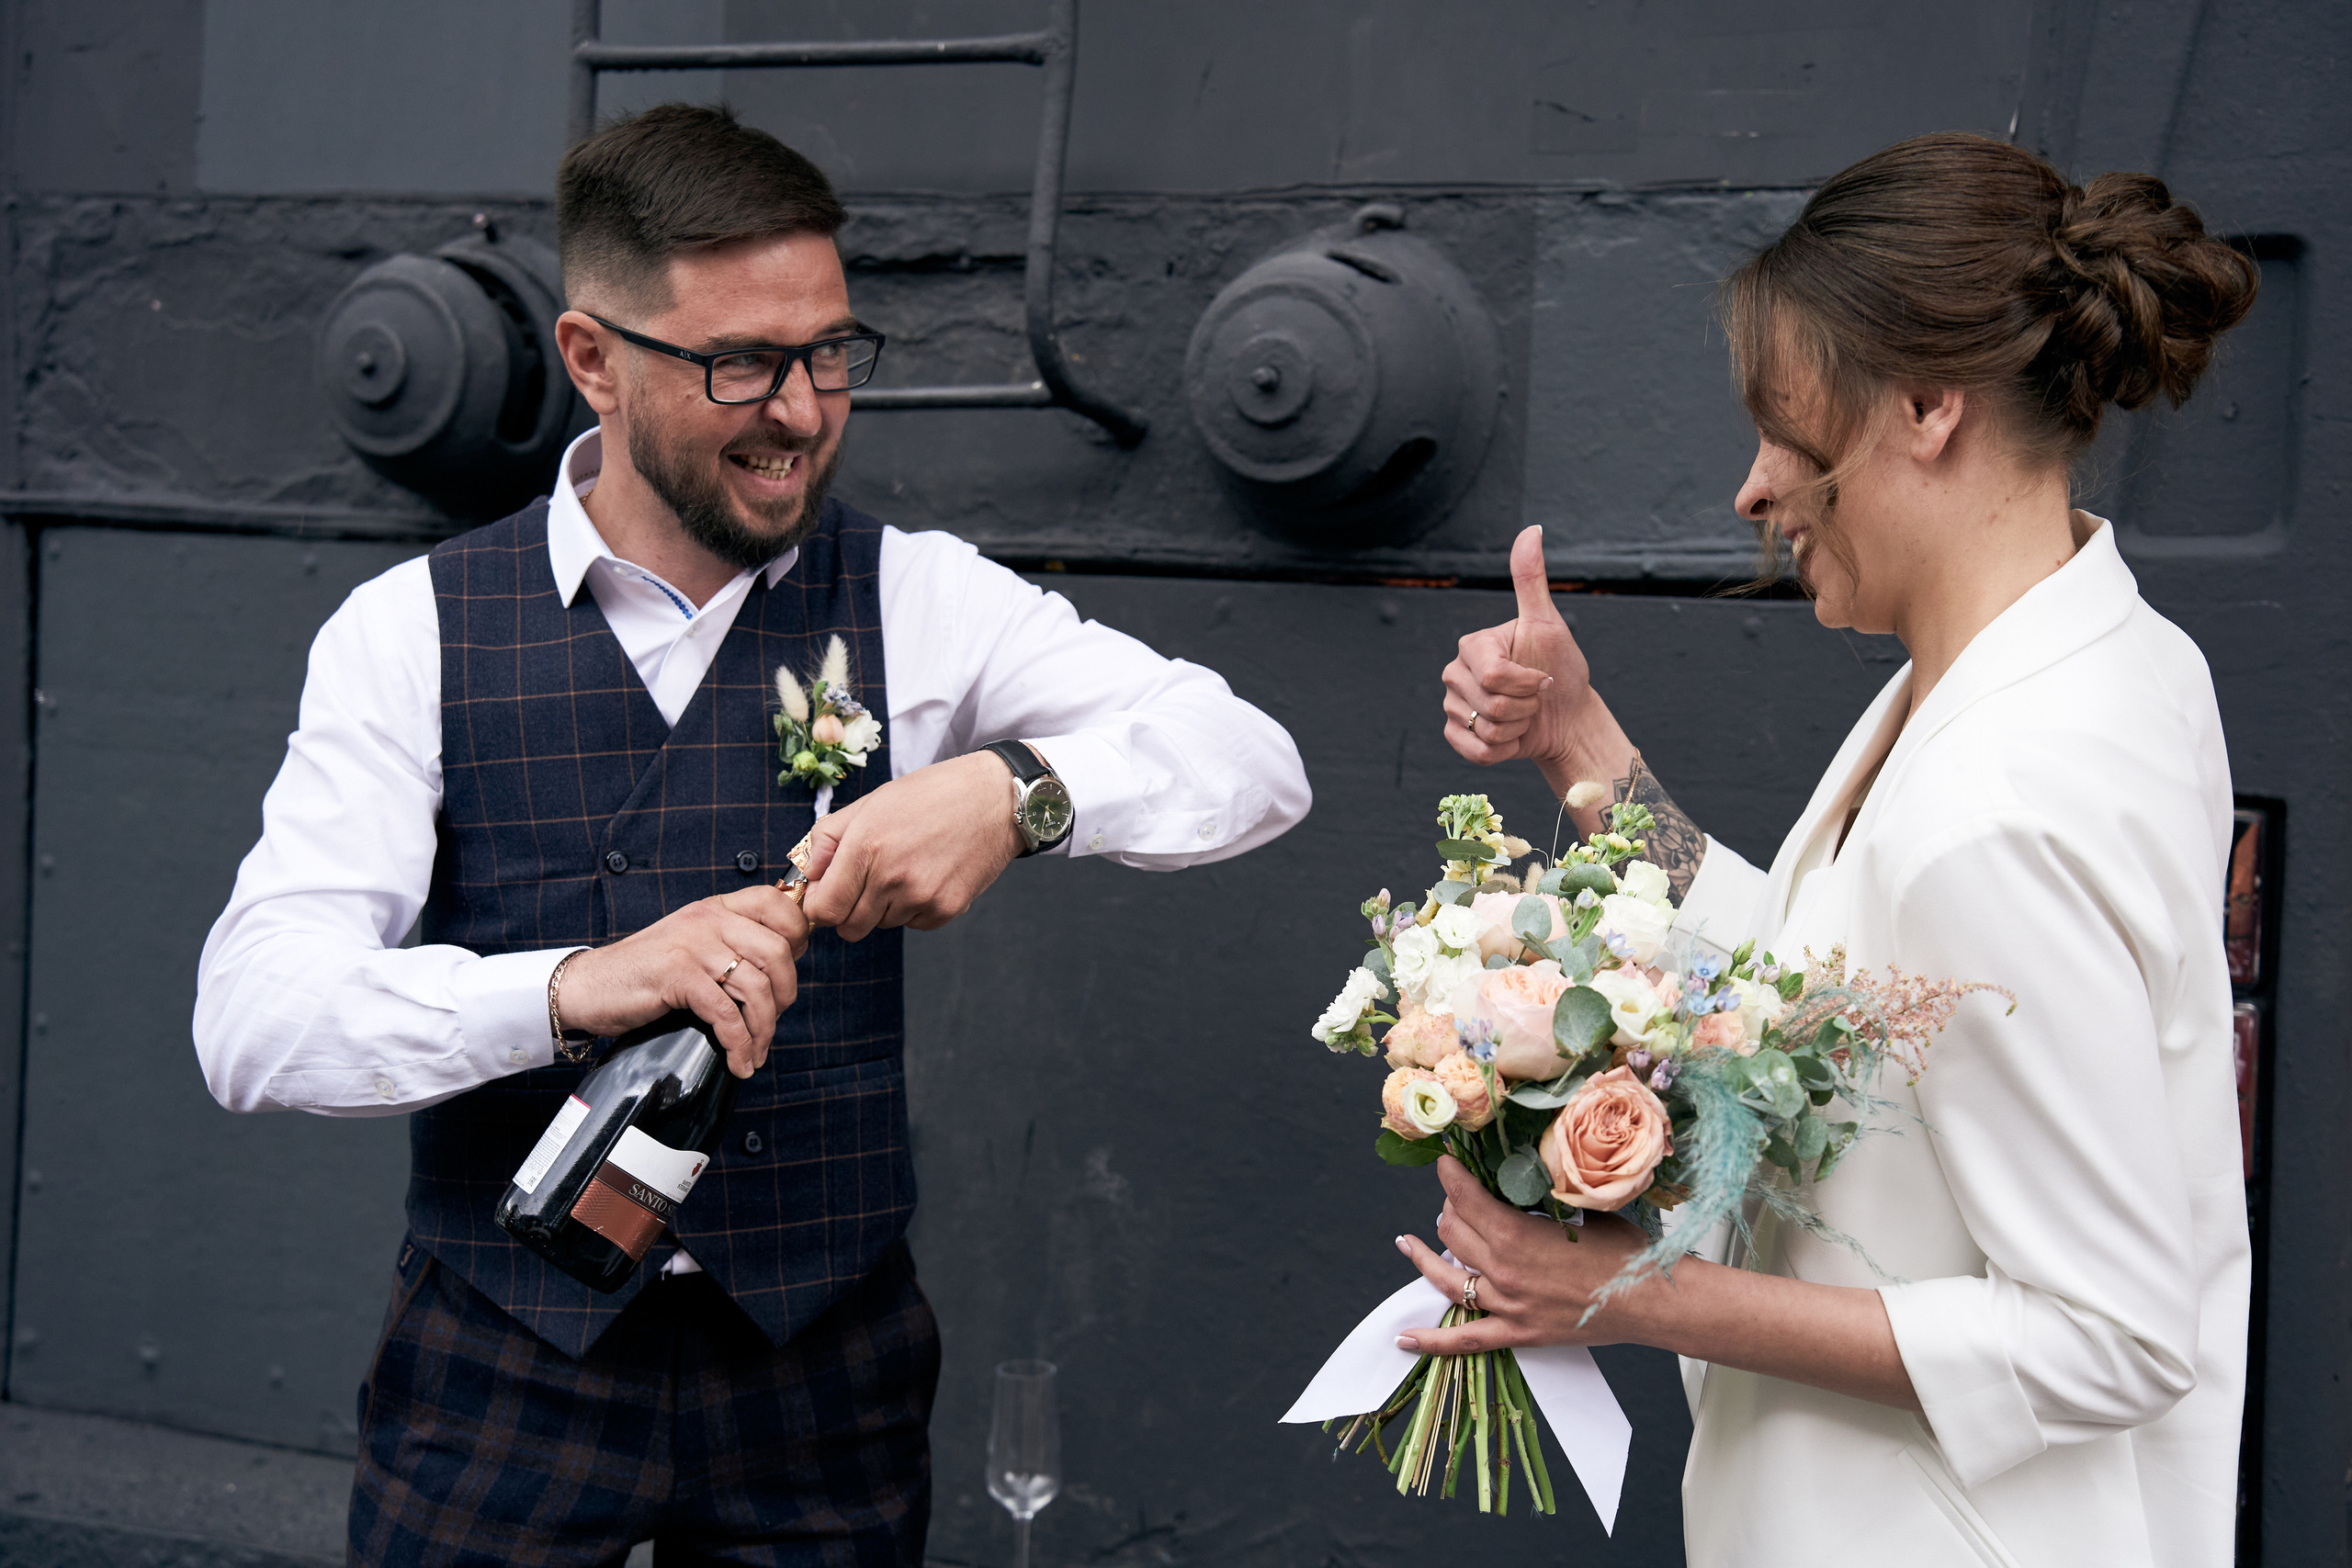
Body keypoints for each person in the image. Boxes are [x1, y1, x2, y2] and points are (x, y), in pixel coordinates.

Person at [193, 103, 1309, 1565]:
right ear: (593, 357)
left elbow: (1254, 761)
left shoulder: (920, 596)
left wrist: (1019, 793)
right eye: (739, 363)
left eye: (830, 353)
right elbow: (253, 1020)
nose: (799, 409)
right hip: (498, 1373)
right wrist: (563, 986)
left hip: (821, 1377)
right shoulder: (407, 633)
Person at [1404, 132, 2256, 1566]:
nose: (1755, 487)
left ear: (1928, 405)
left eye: (1787, 429)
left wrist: (1631, 1292)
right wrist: (1585, 749)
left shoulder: (2002, 804)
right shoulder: (2091, 655)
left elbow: (2113, 1337)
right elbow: (1828, 987)